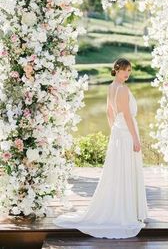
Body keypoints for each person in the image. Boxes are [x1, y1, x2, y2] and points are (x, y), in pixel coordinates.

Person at [53, 57, 148, 239]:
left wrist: (114, 129)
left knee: (119, 171)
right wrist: (135, 138)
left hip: (119, 133)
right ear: (117, 70)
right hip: (127, 133)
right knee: (126, 170)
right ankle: (127, 211)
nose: (127, 74)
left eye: (129, 71)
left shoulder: (111, 87)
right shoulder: (122, 89)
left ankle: (127, 207)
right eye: (125, 70)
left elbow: (109, 112)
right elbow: (127, 115)